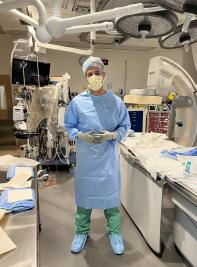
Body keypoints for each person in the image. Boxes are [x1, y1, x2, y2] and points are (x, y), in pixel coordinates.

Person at [64, 56, 131, 255]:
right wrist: (80, 135)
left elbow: (125, 126)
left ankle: (115, 232)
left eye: (97, 73)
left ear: (104, 75)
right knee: (84, 199)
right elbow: (69, 126)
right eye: (89, 74)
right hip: (86, 161)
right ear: (85, 77)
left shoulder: (116, 102)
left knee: (110, 199)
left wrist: (113, 135)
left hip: (107, 160)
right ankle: (81, 232)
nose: (94, 76)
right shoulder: (77, 102)